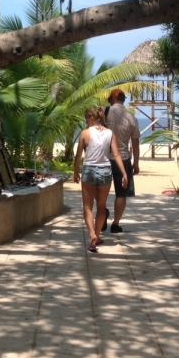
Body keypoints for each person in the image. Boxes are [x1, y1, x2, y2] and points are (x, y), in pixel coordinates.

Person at [74, 107, 128, 252]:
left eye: (86, 118)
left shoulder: (85, 133)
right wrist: (124, 173)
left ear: (91, 118)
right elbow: (116, 154)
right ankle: (97, 236)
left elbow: (78, 155)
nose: (86, 121)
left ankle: (92, 234)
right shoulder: (110, 133)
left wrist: (75, 172)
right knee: (101, 206)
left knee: (87, 206)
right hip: (105, 171)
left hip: (89, 170)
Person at [106, 88, 140, 233]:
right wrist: (136, 163)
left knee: (100, 190)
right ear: (123, 99)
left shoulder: (104, 112)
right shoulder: (132, 118)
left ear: (112, 99)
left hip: (104, 157)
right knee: (121, 193)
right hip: (123, 158)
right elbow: (135, 143)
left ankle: (102, 216)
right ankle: (115, 223)